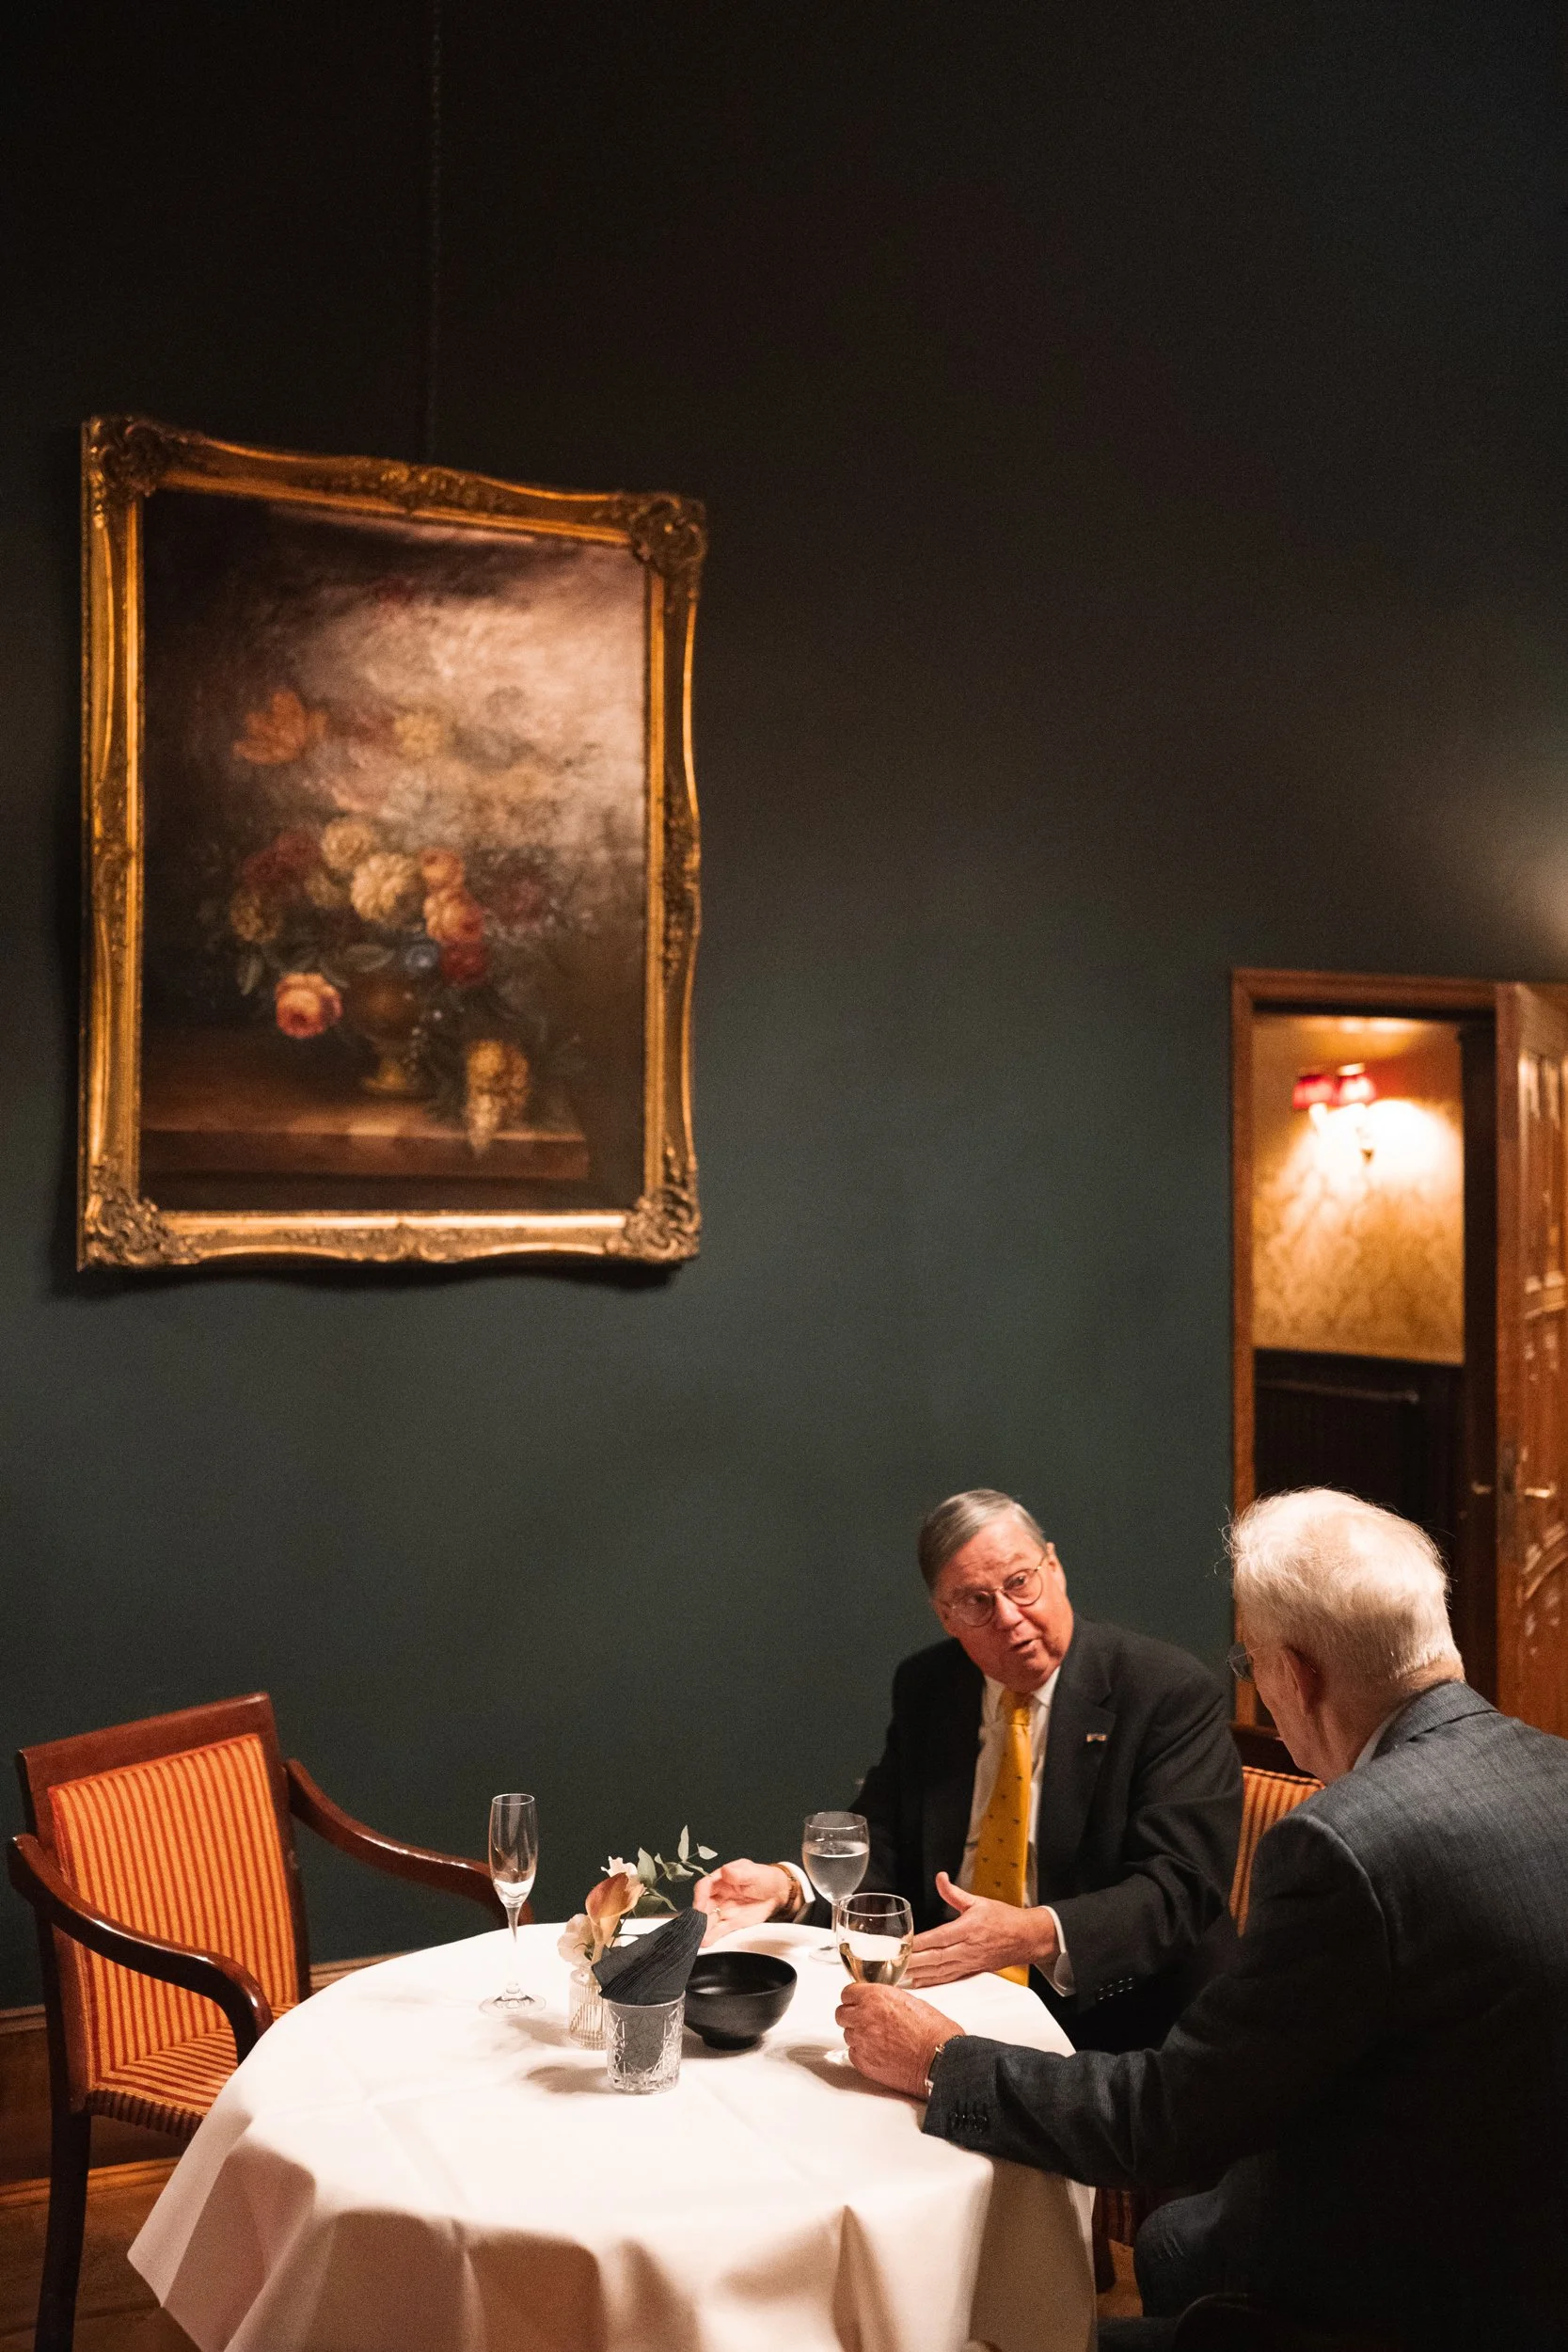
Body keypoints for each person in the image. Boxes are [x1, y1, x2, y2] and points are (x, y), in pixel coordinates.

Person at [837, 1488, 1568, 2350]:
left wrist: (937, 2059)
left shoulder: (1342, 1845)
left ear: (1294, 1675)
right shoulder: (1553, 1769)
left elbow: (1159, 2122)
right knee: (1175, 2244)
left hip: (1399, 2300)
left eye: (1249, 1661)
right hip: (1519, 2253)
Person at [696, 1488, 1243, 2052]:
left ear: (1053, 1566)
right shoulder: (930, 1686)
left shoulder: (1165, 1690)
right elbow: (883, 1839)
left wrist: (1030, 1934)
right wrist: (790, 1888)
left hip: (1119, 2025)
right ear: (945, 1616)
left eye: (1020, 1583)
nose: (1008, 1616)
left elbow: (1181, 1888)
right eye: (977, 1601)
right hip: (950, 1999)